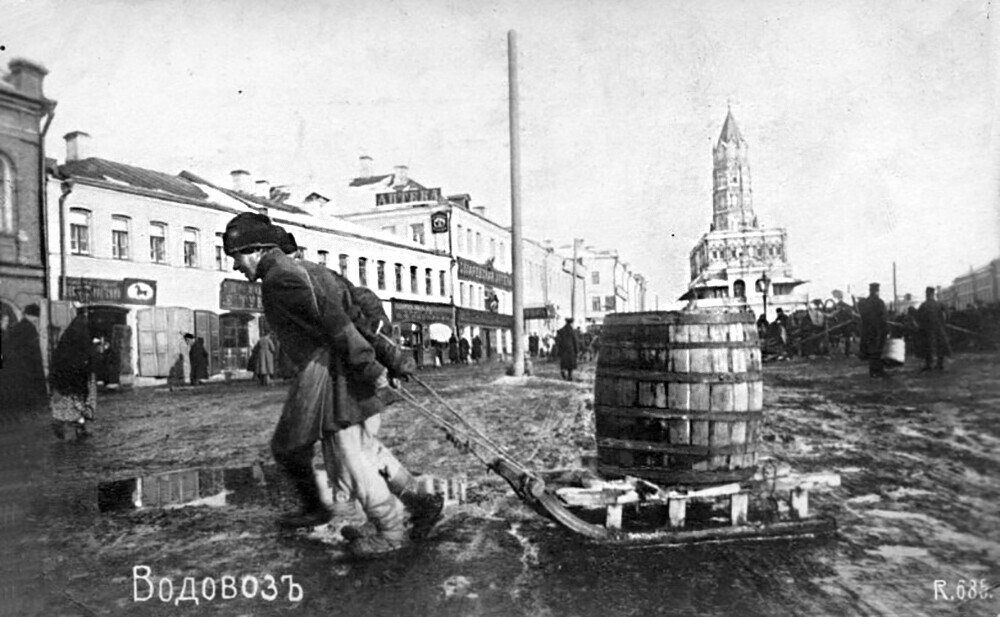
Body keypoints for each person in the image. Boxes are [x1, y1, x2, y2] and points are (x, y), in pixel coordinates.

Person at [223, 212, 439, 559]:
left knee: (348, 453)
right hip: (339, 365)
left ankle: (391, 529)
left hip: (331, 371)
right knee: (360, 447)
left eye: (236, 257)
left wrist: (370, 365)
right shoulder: (304, 272)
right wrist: (388, 357)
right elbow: (358, 312)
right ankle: (417, 500)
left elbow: (337, 323)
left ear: (257, 250)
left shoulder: (282, 278)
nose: (235, 267)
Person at [50, 312, 98, 440]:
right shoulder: (84, 348)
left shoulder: (61, 346)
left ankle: (70, 434)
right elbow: (85, 374)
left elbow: (54, 370)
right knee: (76, 423)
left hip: (60, 394)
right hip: (77, 395)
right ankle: (78, 432)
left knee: (65, 423)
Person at [0, 303, 48, 414]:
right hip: (27, 365)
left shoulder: (19, 327)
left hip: (20, 364)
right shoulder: (27, 327)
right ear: (32, 316)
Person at [858, 282, 889, 377]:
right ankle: (878, 370)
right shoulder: (879, 302)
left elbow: (862, 316)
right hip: (877, 331)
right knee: (878, 351)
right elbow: (884, 318)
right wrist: (886, 330)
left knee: (871, 350)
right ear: (877, 291)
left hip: (867, 331)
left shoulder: (864, 302)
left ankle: (873, 371)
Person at [916, 286, 950, 372]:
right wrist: (944, 322)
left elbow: (918, 317)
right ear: (933, 294)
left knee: (928, 347)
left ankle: (928, 365)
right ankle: (940, 364)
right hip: (939, 328)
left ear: (927, 294)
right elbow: (948, 314)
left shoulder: (924, 305)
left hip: (927, 330)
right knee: (940, 346)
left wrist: (921, 325)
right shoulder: (939, 304)